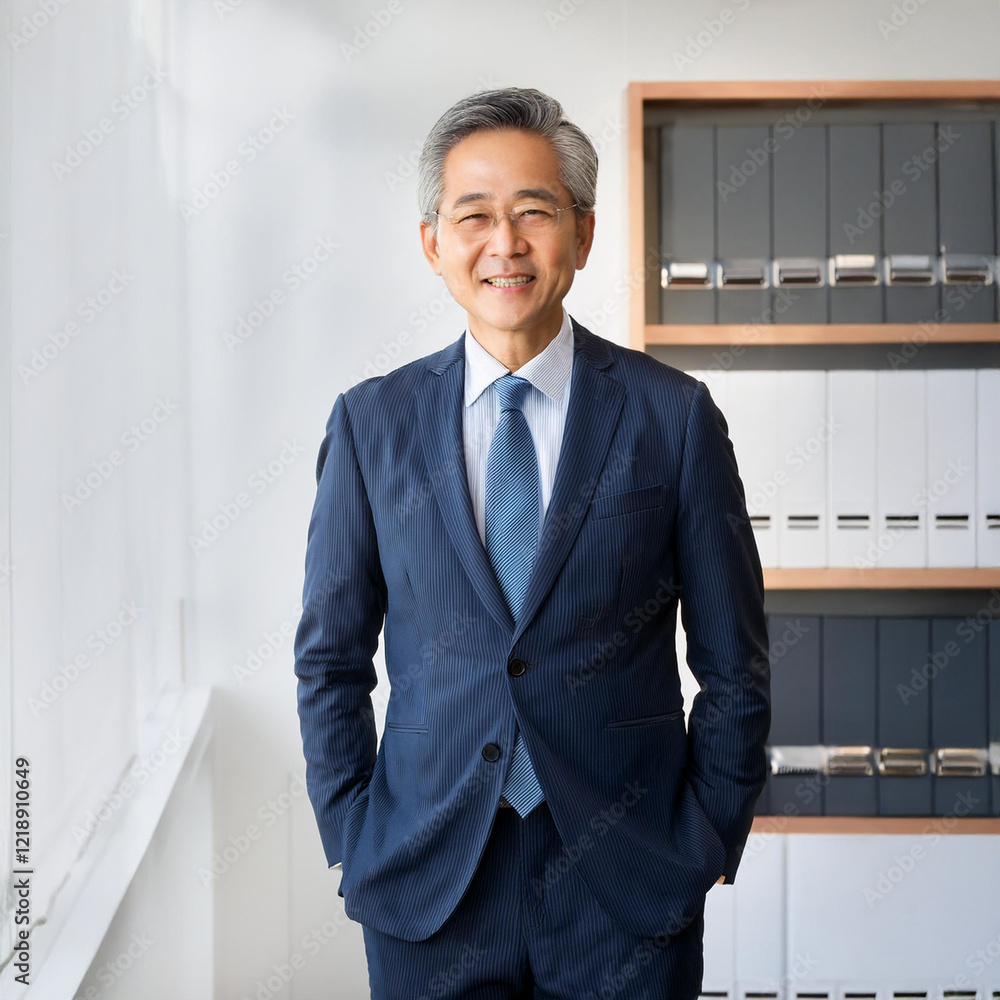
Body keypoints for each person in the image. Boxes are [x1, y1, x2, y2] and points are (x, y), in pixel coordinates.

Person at [294, 86, 770, 1000]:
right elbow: (330, 658)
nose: (504, 244)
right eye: (473, 216)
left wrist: (705, 835)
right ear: (434, 244)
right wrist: (355, 832)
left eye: (533, 214)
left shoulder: (672, 418)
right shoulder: (371, 424)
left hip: (625, 878)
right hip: (427, 879)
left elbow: (736, 667)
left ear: (582, 236)